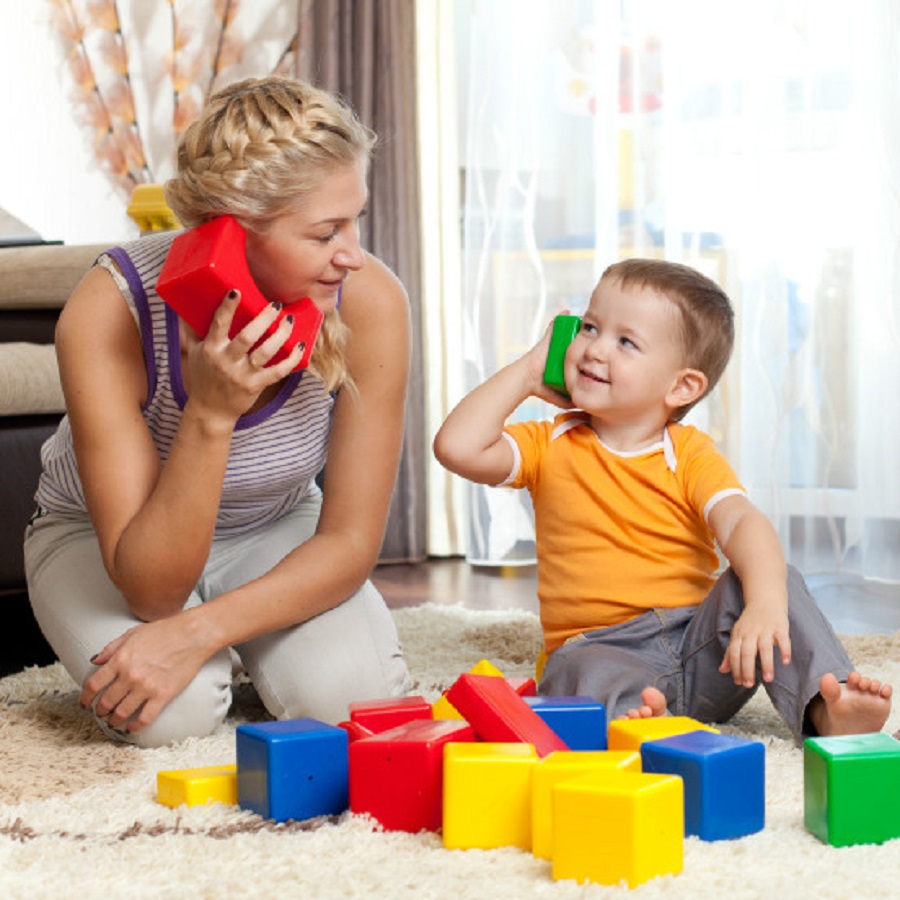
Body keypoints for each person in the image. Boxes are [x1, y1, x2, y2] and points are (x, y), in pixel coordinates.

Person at [25, 76, 411, 748]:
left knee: (351, 706)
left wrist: (197, 632)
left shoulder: (370, 300)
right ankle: (231, 660)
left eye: (357, 220)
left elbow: (349, 543)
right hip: (98, 538)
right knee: (170, 719)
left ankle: (242, 648)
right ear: (228, 234)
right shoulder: (108, 310)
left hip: (271, 525)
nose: (352, 254)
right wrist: (209, 414)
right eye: (325, 233)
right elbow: (151, 593)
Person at [434, 258, 892, 743]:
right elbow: (457, 447)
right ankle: (641, 727)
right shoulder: (548, 443)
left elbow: (741, 523)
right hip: (602, 648)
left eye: (625, 341)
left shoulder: (689, 452)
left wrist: (765, 603)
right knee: (575, 672)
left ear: (682, 386)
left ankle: (827, 706)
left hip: (700, 646)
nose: (594, 349)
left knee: (771, 578)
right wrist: (528, 373)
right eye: (589, 327)